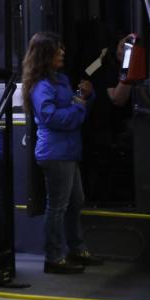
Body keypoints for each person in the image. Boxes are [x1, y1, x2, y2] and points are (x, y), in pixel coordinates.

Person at [22, 32, 102, 274]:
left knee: (75, 201)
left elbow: (73, 105)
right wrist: (78, 106)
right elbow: (52, 117)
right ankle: (54, 257)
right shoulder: (41, 86)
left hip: (67, 151)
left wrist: (84, 95)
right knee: (57, 206)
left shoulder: (60, 80)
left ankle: (76, 248)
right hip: (55, 153)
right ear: (46, 55)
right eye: (58, 50)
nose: (62, 53)